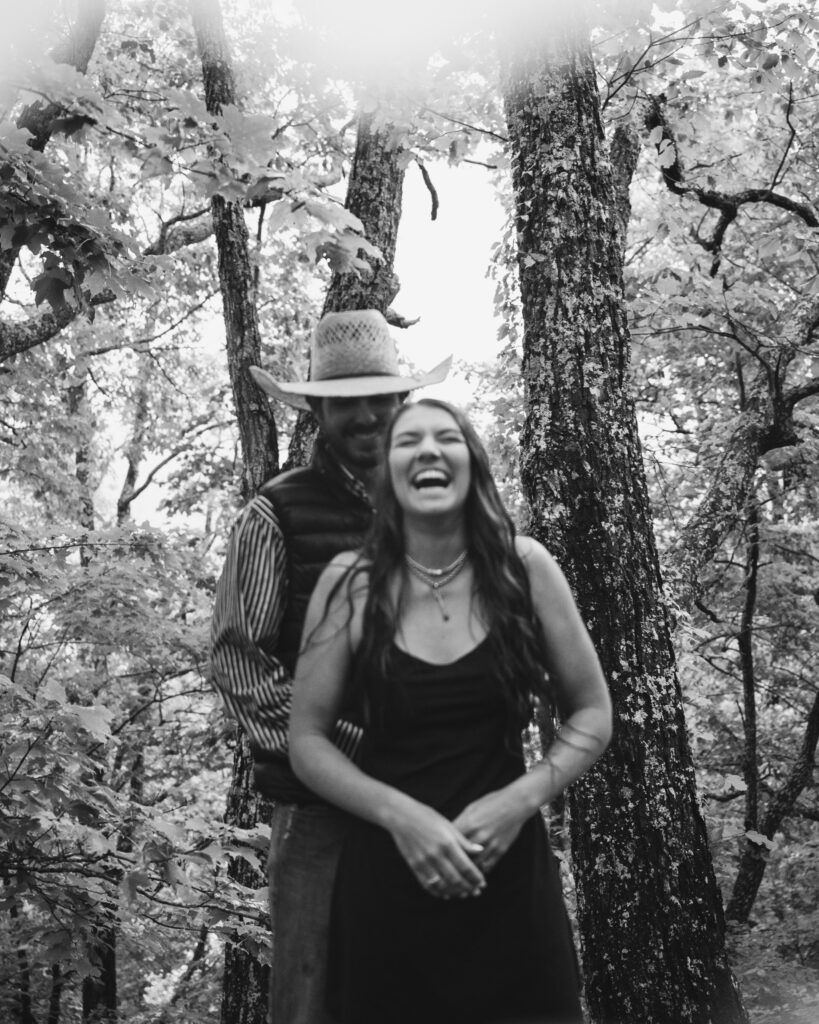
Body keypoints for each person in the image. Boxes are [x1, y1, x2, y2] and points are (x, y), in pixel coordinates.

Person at [289, 398, 613, 1024]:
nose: (430, 450)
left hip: (511, 881)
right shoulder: (349, 582)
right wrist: (404, 818)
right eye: (409, 441)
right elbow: (308, 739)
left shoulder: (526, 568)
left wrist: (518, 801)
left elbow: (592, 713)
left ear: (472, 465)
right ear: (387, 472)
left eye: (448, 438)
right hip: (385, 887)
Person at [209, 309, 450, 1024]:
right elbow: (238, 661)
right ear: (318, 409)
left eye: (382, 397)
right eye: (348, 402)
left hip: (438, 796)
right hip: (320, 816)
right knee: (313, 998)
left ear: (402, 401)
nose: (369, 415)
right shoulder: (273, 514)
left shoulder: (437, 505)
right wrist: (342, 751)